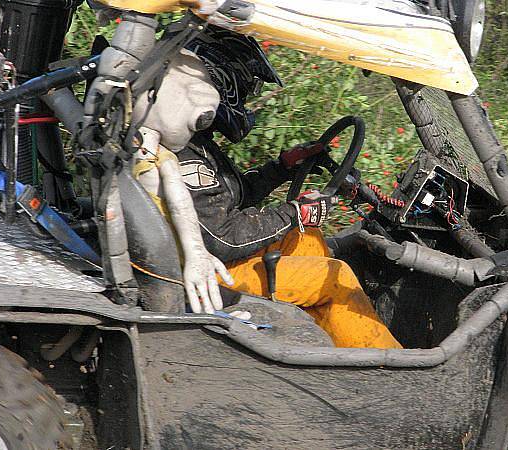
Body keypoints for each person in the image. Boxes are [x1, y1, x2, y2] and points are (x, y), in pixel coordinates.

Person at [170, 25, 401, 349]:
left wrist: (282, 168)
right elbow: (223, 239)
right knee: (335, 277)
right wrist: (293, 212)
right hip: (214, 274)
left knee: (307, 239)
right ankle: (386, 364)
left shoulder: (193, 142)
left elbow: (230, 200)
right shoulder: (183, 155)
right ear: (221, 84)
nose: (247, 99)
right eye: (245, 88)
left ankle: (325, 345)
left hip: (217, 260)